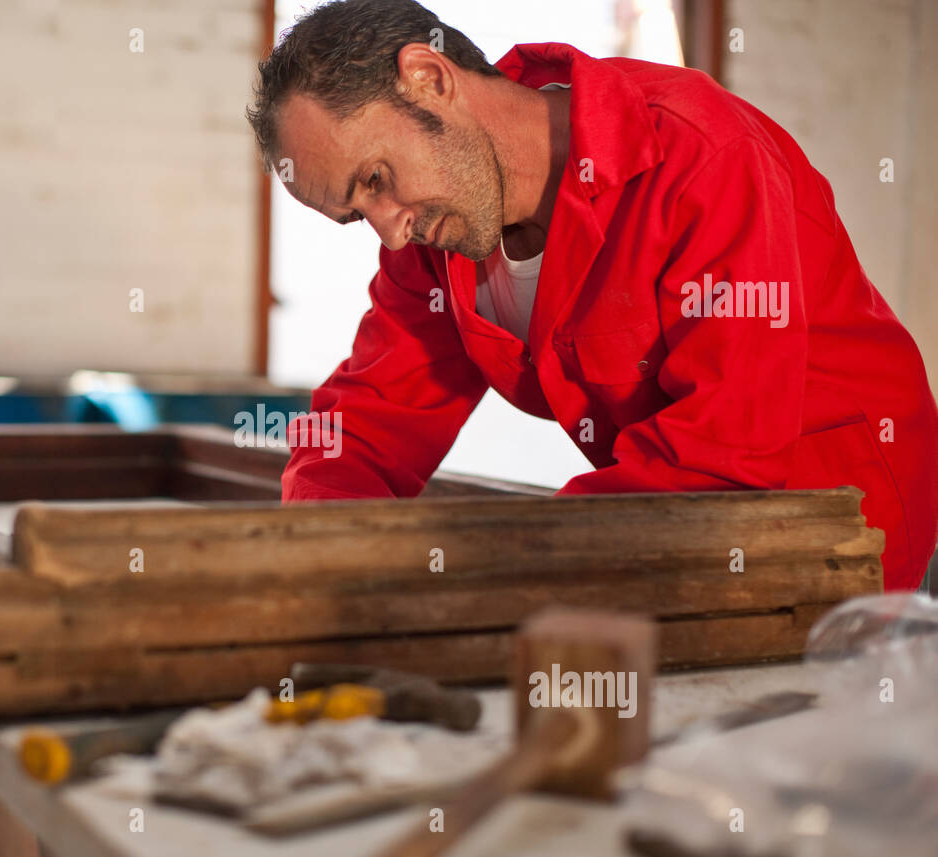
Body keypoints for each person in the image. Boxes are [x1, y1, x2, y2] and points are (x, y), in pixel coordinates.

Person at [246, 0, 937, 590]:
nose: (390, 233)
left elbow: (721, 454)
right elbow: (368, 420)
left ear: (428, 78)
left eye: (374, 179)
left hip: (842, 518)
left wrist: (497, 564)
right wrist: (321, 555)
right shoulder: (432, 232)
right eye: (357, 214)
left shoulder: (701, 156)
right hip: (674, 520)